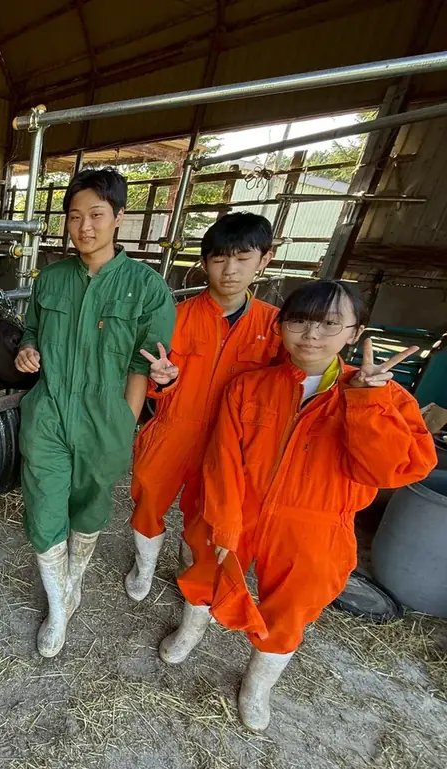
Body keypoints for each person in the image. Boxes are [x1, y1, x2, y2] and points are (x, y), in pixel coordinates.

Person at [159, 280, 436, 732]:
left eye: (330, 324)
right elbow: (222, 458)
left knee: (291, 610)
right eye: (300, 321)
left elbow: (389, 472)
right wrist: (225, 524)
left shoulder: (385, 400)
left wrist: (367, 403)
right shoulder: (250, 386)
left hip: (316, 523)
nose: (312, 335)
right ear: (281, 326)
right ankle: (190, 632)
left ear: (354, 333)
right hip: (240, 508)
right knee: (204, 570)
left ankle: (257, 687)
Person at [14, 167, 175, 658]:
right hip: (49, 413)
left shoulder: (147, 288)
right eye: (75, 216)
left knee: (89, 508)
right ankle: (58, 610)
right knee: (44, 510)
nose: (84, 226)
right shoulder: (51, 278)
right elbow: (32, 332)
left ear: (119, 218)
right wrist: (26, 350)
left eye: (96, 215)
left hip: (108, 419)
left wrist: (125, 420)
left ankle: (75, 581)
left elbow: (144, 365)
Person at [125, 212, 282, 601]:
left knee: (209, 519)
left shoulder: (276, 327)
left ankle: (190, 571)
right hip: (173, 429)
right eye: (219, 258)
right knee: (146, 500)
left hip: (229, 445)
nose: (230, 270)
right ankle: (144, 568)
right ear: (204, 262)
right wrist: (163, 382)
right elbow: (145, 380)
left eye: (243, 258)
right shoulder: (173, 317)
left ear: (264, 260)